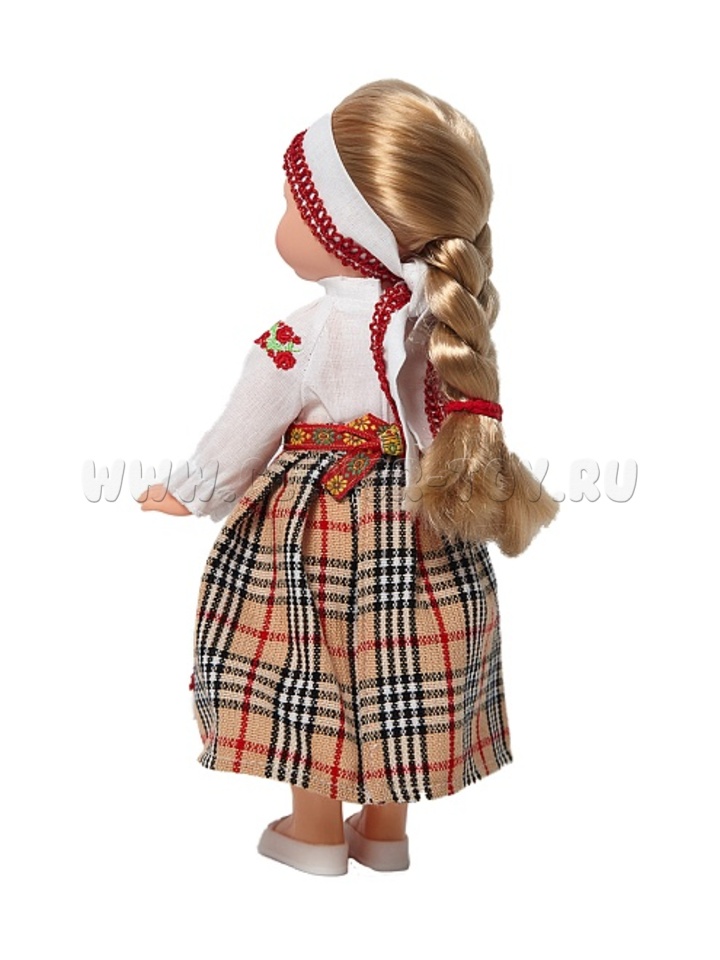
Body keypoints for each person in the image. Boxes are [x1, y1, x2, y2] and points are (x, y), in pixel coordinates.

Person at [141, 79, 558, 876]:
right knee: (402, 665)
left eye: (295, 208)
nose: (283, 223)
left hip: (312, 526)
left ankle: (316, 833)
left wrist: (193, 489)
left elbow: (248, 423)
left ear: (347, 230)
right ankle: (385, 833)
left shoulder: (301, 333)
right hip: (417, 516)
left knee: (309, 665)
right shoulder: (443, 324)